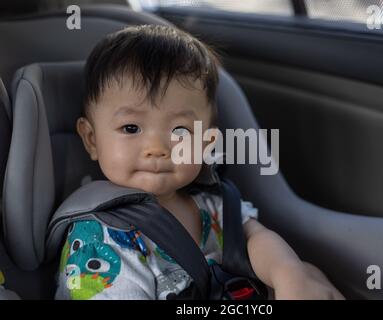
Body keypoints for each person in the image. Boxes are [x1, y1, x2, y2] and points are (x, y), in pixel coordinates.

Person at [55, 24, 344, 300]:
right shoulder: (99, 240)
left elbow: (253, 236)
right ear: (92, 139)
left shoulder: (211, 202)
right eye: (131, 128)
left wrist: (289, 275)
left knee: (310, 275)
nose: (156, 148)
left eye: (180, 131)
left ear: (206, 143)